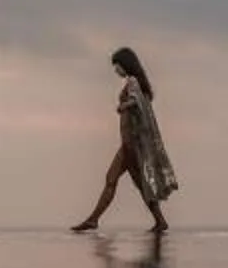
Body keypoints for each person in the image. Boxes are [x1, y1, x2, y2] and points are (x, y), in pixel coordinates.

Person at [71, 46, 176, 232]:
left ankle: (93, 220)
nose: (115, 70)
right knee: (140, 185)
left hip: (131, 145)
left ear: (124, 64)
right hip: (129, 144)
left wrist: (124, 106)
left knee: (111, 179)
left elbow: (137, 102)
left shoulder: (133, 82)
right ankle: (160, 220)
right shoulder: (133, 82)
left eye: (116, 66)